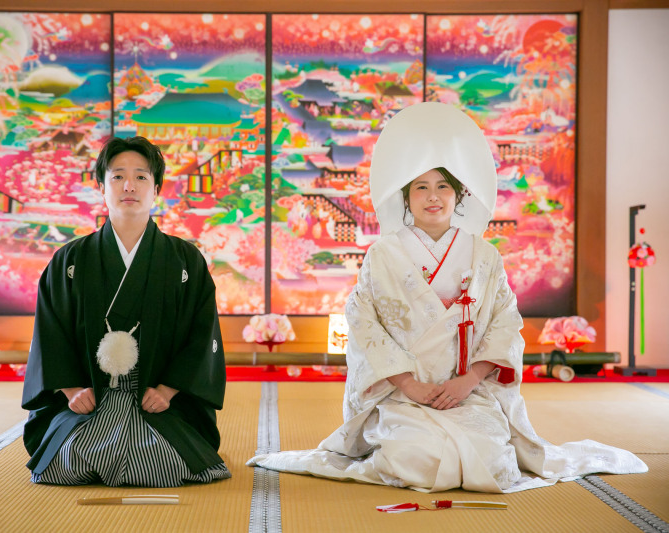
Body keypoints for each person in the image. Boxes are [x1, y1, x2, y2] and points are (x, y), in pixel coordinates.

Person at [248, 102, 647, 492]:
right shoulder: (383, 254)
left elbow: (505, 322)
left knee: (492, 463)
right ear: (406, 197)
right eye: (421, 186)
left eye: (443, 186)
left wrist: (468, 380)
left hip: (467, 392)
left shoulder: (484, 255)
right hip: (402, 397)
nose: (433, 196)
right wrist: (410, 384)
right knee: (416, 460)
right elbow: (363, 325)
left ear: (459, 195)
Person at [22, 136, 230, 487]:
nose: (129, 185)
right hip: (89, 399)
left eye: (141, 176)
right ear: (101, 186)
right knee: (67, 463)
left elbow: (202, 332)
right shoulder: (70, 260)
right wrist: (72, 390)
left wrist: (167, 390)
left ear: (156, 188)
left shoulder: (184, 260)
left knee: (162, 463)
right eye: (117, 176)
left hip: (156, 402)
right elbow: (50, 331)